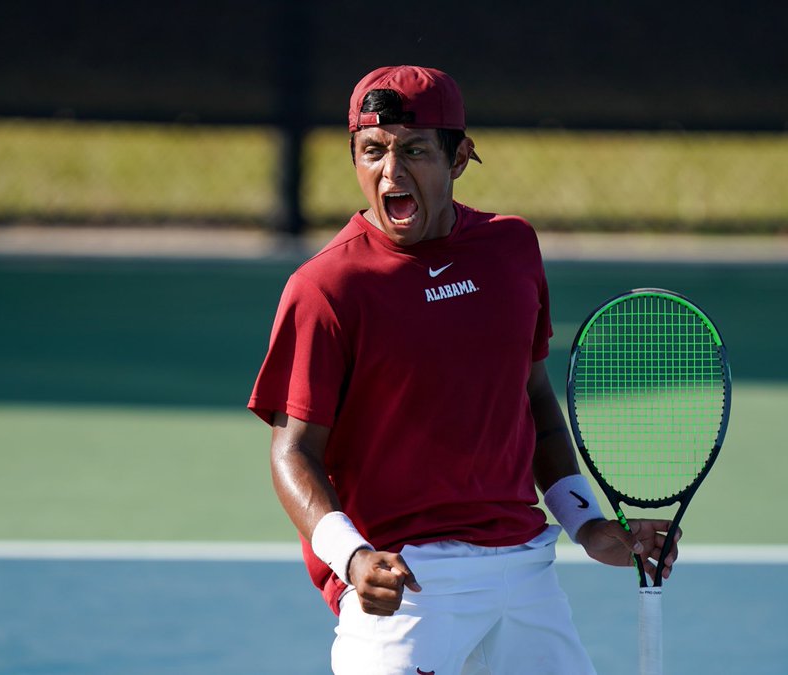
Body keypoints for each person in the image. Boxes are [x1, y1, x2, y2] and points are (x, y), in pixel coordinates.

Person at [248, 64, 679, 675]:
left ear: (458, 158)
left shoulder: (511, 249)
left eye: (414, 151)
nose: (391, 172)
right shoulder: (326, 287)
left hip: (525, 571)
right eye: (373, 151)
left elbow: (532, 400)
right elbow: (293, 452)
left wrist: (587, 525)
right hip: (406, 582)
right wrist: (351, 556)